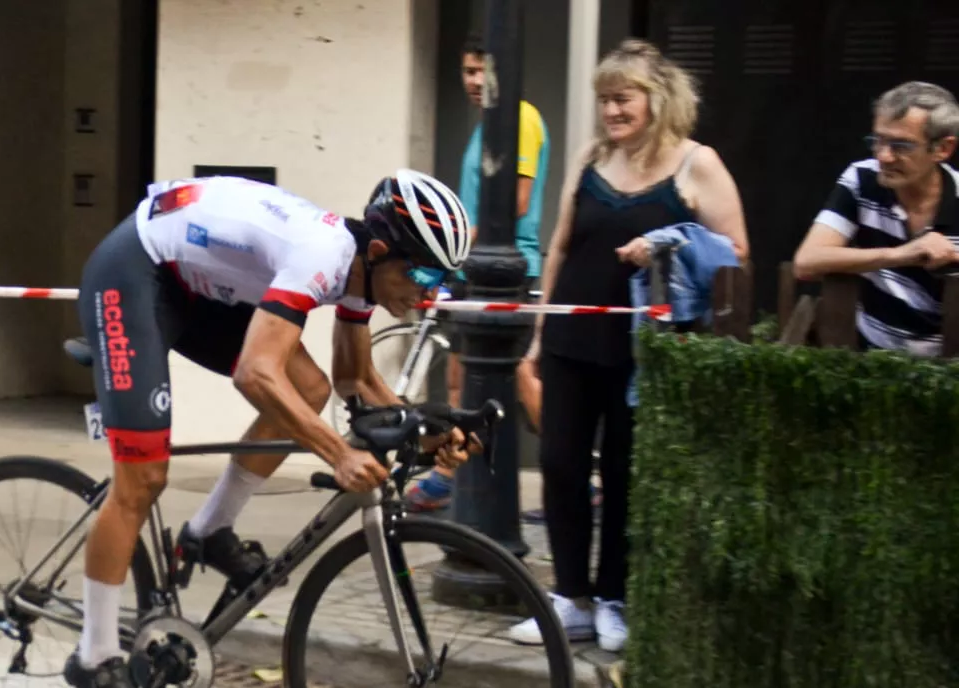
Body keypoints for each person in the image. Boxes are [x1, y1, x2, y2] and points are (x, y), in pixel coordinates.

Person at [70, 169, 478, 688]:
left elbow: (354, 381)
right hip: (135, 272)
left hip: (198, 285)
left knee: (305, 390)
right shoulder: (323, 255)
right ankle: (94, 656)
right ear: (382, 251)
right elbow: (255, 373)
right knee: (142, 481)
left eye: (443, 278)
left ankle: (209, 531)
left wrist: (429, 428)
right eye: (425, 273)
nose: (428, 293)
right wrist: (337, 453)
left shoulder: (362, 271)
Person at [510, 39, 748, 652]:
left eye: (624, 99)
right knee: (560, 466)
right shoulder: (591, 157)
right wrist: (540, 330)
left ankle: (615, 598)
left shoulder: (699, 164)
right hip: (570, 337)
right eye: (605, 100)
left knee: (623, 473)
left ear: (657, 99)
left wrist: (669, 240)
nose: (612, 112)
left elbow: (737, 255)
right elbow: (560, 245)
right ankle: (570, 598)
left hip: (642, 351)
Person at [403, 32, 551, 514]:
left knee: (521, 377)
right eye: (466, 70)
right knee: (456, 375)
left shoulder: (520, 119)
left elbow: (518, 200)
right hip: (471, 265)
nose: (471, 80)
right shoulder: (484, 125)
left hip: (507, 268)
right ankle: (450, 473)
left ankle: (571, 475)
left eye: (479, 70)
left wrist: (458, 231)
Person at [793, 81, 959, 354]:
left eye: (901, 146)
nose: (884, 156)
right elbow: (807, 262)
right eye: (878, 141)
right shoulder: (862, 179)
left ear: (943, 149)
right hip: (873, 361)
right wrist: (901, 254)